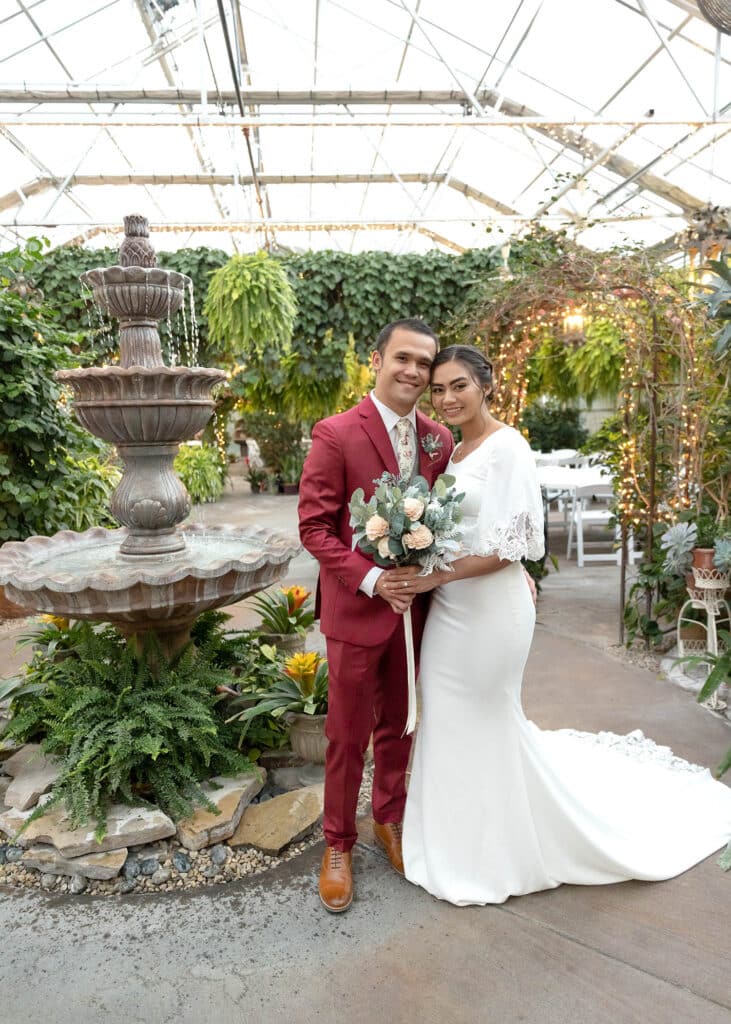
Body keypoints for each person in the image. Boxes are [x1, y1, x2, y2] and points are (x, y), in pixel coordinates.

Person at [386, 344, 731, 906]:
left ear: (486, 386)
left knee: (486, 715)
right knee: (448, 715)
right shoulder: (452, 451)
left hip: (489, 611)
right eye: (439, 389)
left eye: (459, 387)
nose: (447, 398)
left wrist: (431, 579)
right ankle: (456, 838)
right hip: (452, 609)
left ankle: (499, 853)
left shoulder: (509, 447)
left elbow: (512, 546)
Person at [298, 318, 454, 913]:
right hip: (358, 610)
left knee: (400, 724)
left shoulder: (439, 439)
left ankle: (389, 818)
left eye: (424, 363)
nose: (413, 371)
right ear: (377, 359)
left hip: (417, 611)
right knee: (346, 735)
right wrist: (372, 579)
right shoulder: (336, 433)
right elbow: (314, 527)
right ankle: (338, 843)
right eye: (403, 359)